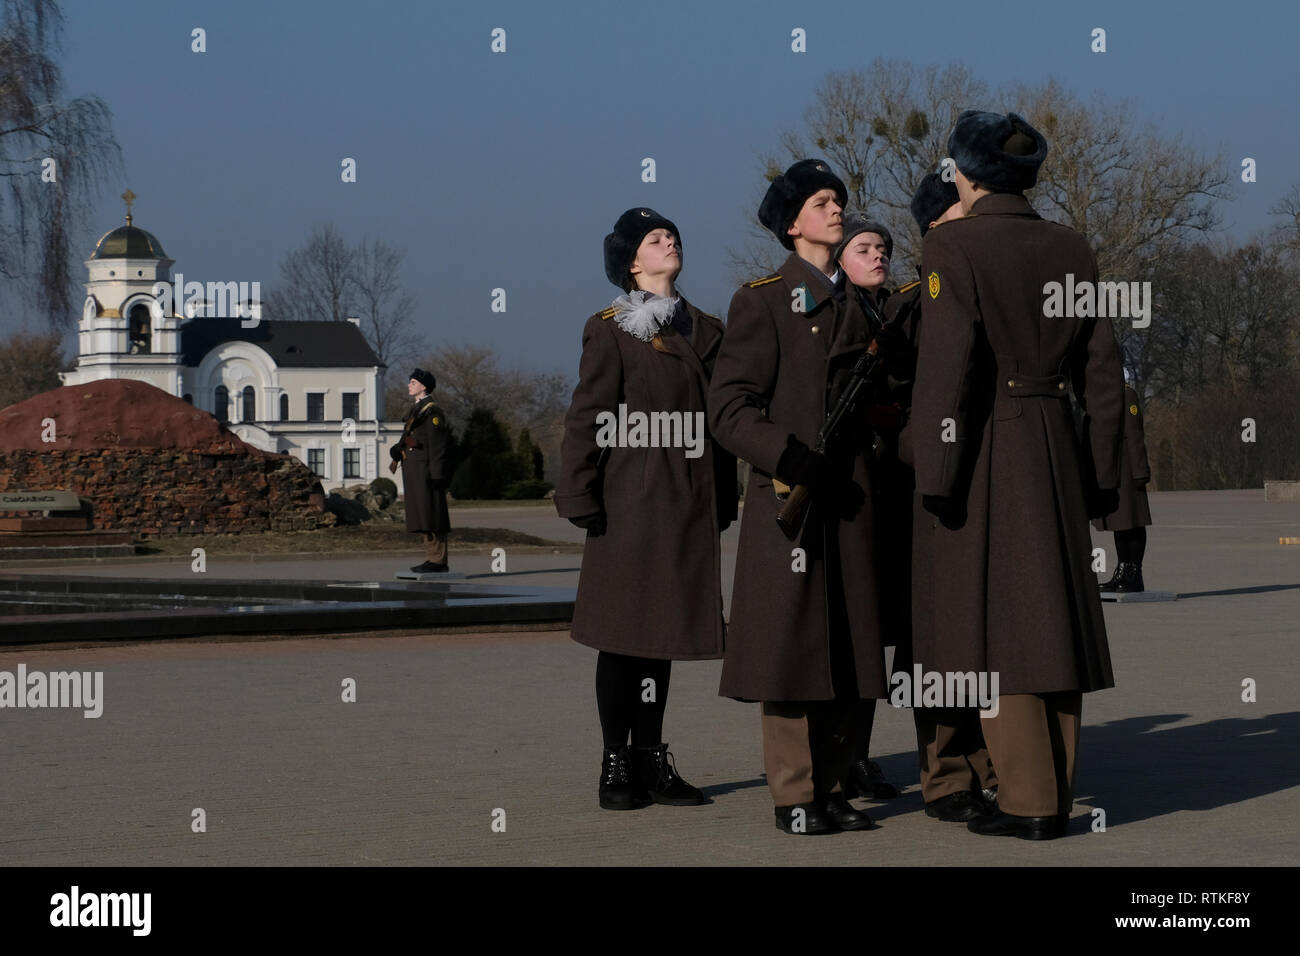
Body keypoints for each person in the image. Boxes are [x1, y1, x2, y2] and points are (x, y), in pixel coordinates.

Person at [907, 111, 1125, 840]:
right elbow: (1102, 375)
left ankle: (1029, 803)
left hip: (985, 451)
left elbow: (948, 370)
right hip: (1055, 445)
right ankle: (1051, 792)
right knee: (1052, 620)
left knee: (999, 629)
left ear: (966, 175)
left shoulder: (951, 245)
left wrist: (932, 470)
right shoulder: (1071, 246)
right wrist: (1102, 477)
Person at [708, 160, 887, 835]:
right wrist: (786, 453)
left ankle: (835, 783)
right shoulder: (761, 300)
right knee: (791, 650)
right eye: (821, 201)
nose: (836, 208)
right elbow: (728, 409)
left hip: (854, 500)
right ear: (792, 224)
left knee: (849, 646)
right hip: (794, 499)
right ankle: (793, 795)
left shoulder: (863, 299)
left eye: (838, 198)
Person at [554, 207, 737, 811]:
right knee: (621, 635)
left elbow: (724, 420)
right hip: (629, 497)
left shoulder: (706, 328)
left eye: (674, 236)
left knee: (659, 637)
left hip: (686, 499)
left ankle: (652, 759)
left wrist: (723, 493)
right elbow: (587, 414)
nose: (670, 242)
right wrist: (578, 491)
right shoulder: (609, 327)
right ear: (632, 262)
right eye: (656, 239)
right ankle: (615, 761)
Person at [889, 174, 1001, 824]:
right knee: (937, 640)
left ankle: (995, 765)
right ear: (938, 225)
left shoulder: (995, 287)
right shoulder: (914, 304)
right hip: (932, 492)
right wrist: (921, 451)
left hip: (992, 480)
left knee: (989, 634)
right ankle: (948, 774)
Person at [831, 213, 901, 802]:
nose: (876, 255)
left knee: (873, 630)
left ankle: (858, 752)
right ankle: (839, 756)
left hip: (891, 487)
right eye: (863, 247)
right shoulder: (841, 312)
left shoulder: (894, 310)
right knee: (850, 628)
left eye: (881, 246)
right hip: (853, 485)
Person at [390, 368, 451, 573]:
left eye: (413, 382)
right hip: (415, 471)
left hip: (426, 471)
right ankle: (431, 558)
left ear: (423, 386)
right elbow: (415, 439)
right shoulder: (417, 410)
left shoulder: (431, 412)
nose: (409, 385)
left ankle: (438, 561)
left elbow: (437, 445)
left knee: (432, 514)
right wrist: (399, 449)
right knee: (423, 515)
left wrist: (436, 474)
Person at [1094, 383, 1152, 592]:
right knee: (1120, 523)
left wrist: (1140, 470)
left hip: (1128, 468)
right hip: (1113, 468)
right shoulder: (1103, 393)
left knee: (1133, 522)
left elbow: (1134, 434)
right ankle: (1122, 570)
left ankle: (1134, 574)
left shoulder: (1127, 394)